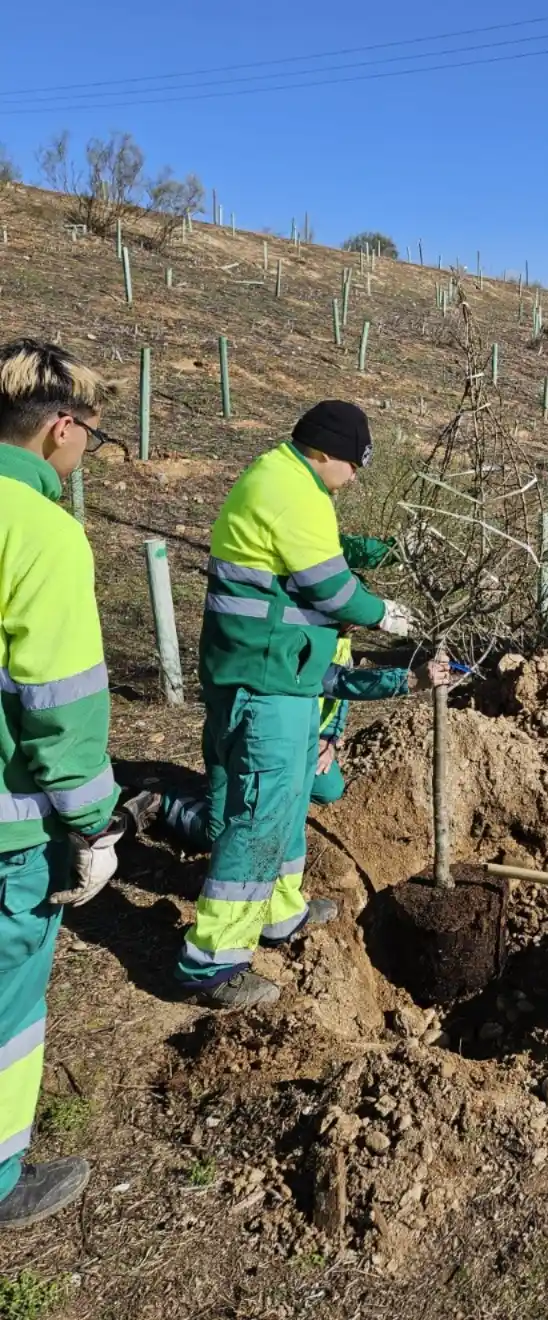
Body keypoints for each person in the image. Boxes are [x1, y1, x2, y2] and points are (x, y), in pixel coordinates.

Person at [174, 401, 427, 1010]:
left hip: (276, 673)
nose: (355, 477)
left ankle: (279, 912)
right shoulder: (294, 492)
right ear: (326, 452)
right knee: (260, 816)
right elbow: (333, 589)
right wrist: (381, 613)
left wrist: (383, 556)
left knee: (285, 803)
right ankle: (211, 961)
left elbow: (323, 560)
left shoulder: (280, 479)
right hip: (266, 681)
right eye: (355, 465)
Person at [0, 340, 131, 1228]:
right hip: (8, 835)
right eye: (92, 433)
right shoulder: (40, 532)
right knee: (6, 1003)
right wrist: (93, 827)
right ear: (61, 428)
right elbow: (60, 707)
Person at [160, 616, 445, 847]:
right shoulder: (298, 637)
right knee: (218, 835)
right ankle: (164, 801)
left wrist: (329, 737)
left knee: (327, 789)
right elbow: (340, 682)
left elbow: (338, 698)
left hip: (294, 738)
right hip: (239, 734)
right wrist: (409, 679)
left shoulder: (340, 640)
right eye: (352, 612)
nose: (359, 622)